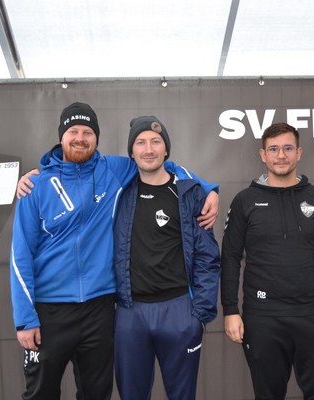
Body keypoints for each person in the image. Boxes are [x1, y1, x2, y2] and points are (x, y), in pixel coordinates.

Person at [10, 102, 218, 400]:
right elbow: (20, 257)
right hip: (50, 310)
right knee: (41, 393)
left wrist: (207, 188)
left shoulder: (113, 170)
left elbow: (159, 165)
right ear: (61, 136)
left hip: (100, 307)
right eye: (73, 131)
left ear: (96, 137)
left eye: (87, 132)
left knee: (97, 393)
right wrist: (25, 318)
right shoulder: (35, 186)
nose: (80, 138)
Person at [221, 122, 314, 400]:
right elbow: (230, 257)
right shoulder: (245, 201)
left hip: (313, 314)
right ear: (263, 155)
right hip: (262, 318)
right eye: (274, 149)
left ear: (299, 153)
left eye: (288, 148)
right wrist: (230, 310)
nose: (281, 155)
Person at [112, 115, 220, 399]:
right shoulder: (118, 193)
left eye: (156, 142)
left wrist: (200, 314)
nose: (148, 149)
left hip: (179, 310)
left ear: (166, 149)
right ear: (131, 151)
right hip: (130, 311)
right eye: (141, 142)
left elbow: (207, 257)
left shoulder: (190, 193)